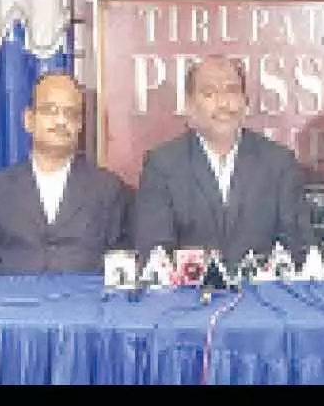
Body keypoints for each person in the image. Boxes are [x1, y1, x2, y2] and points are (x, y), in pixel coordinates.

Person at [133, 54, 313, 266]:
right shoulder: (162, 165)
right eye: (209, 93)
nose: (224, 103)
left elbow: (298, 249)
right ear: (190, 106)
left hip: (263, 295)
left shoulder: (279, 163)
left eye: (232, 91)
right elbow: (156, 254)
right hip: (189, 296)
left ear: (246, 102)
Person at [0, 72, 131, 274]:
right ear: (29, 120)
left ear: (80, 125)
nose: (61, 121)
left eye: (71, 113)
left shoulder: (108, 189)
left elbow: (122, 267)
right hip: (12, 303)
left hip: (85, 303)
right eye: (50, 111)